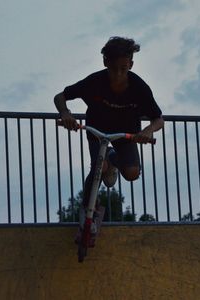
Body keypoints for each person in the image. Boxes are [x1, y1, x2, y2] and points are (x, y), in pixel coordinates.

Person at [54, 36, 164, 208]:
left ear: (131, 65)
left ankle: (113, 158)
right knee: (100, 167)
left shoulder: (139, 87)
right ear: (105, 62)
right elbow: (60, 97)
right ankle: (87, 207)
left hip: (126, 134)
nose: (118, 75)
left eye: (123, 69)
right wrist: (65, 113)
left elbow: (158, 119)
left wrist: (148, 130)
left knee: (132, 173)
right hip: (98, 131)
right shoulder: (94, 82)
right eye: (113, 69)